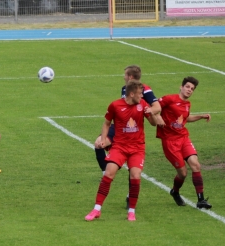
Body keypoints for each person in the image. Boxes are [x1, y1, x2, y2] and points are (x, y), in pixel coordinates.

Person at [85, 80, 158, 222]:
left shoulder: (142, 105)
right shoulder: (115, 105)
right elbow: (107, 123)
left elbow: (154, 124)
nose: (142, 96)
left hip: (137, 148)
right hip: (119, 146)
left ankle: (131, 211)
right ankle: (96, 209)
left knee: (135, 176)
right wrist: (103, 138)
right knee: (108, 174)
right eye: (139, 93)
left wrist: (152, 114)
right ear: (131, 94)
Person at [93, 65, 162, 207]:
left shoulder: (143, 89)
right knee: (98, 143)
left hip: (132, 130)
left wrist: (148, 112)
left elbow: (157, 107)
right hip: (119, 126)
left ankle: (130, 195)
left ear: (130, 76)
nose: (123, 76)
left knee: (133, 169)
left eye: (125, 74)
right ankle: (105, 171)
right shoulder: (125, 89)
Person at [156, 76, 212, 209]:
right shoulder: (169, 99)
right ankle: (175, 191)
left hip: (183, 138)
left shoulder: (187, 104)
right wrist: (158, 117)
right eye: (187, 87)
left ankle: (201, 200)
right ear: (181, 87)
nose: (189, 90)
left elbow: (185, 119)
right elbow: (154, 108)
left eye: (192, 89)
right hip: (170, 142)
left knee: (196, 165)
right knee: (183, 173)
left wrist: (201, 116)